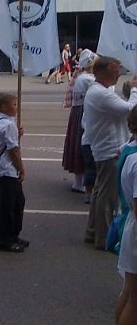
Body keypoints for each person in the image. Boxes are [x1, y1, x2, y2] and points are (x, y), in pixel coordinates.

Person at [83, 57, 137, 250]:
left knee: (100, 193)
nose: (119, 74)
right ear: (102, 72)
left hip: (105, 148)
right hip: (109, 150)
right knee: (108, 197)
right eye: (115, 71)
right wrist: (135, 89)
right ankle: (103, 237)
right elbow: (130, 110)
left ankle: (93, 231)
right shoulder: (101, 93)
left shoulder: (100, 90)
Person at [0, 92, 28, 253]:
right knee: (8, 206)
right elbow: (13, 150)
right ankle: (5, 239)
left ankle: (13, 234)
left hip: (5, 170)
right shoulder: (7, 124)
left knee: (17, 202)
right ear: (4, 107)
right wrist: (21, 168)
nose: (17, 108)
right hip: (7, 170)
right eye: (14, 105)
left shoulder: (3, 121)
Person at [61, 49, 96, 195]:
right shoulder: (88, 78)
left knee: (78, 145)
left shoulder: (81, 76)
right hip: (84, 112)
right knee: (84, 146)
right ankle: (80, 182)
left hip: (78, 112)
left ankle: (79, 181)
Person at [115, 106, 137, 324]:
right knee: (134, 300)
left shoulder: (128, 149)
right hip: (135, 229)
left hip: (130, 224)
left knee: (129, 293)